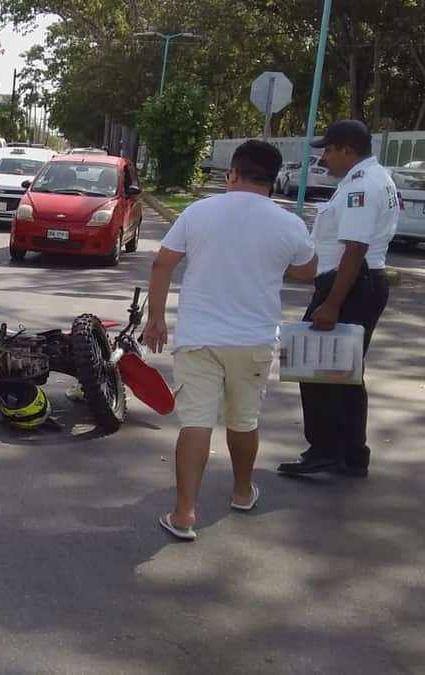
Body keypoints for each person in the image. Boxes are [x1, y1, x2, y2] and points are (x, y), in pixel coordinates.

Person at [143, 140, 318, 541]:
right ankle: (242, 491)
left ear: (232, 174)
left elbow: (162, 263)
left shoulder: (199, 211)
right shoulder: (288, 223)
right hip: (254, 339)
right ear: (273, 183)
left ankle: (184, 513)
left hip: (199, 337)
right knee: (243, 420)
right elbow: (308, 271)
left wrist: (155, 318)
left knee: (196, 423)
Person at [277, 120, 398, 479]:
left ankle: (325, 449)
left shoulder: (361, 187)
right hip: (362, 283)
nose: (324, 158)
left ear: (348, 150)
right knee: (345, 373)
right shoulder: (374, 178)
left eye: (328, 150)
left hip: (349, 285)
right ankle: (351, 452)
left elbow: (355, 249)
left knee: (314, 365)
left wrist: (331, 302)